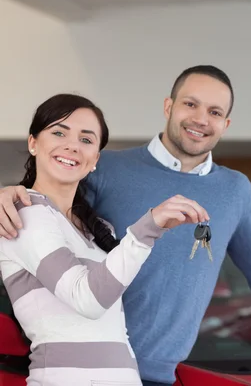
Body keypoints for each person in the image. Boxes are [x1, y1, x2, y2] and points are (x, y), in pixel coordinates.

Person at [0, 66, 251, 386]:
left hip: (161, 377)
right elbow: (42, 212)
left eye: (214, 112)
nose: (200, 119)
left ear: (226, 124)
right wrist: (10, 194)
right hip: (79, 370)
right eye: (190, 104)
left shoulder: (235, 191)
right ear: (169, 106)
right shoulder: (106, 168)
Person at [0, 94, 209, 386]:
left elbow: (113, 330)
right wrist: (149, 227)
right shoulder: (24, 215)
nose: (72, 145)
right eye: (59, 132)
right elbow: (87, 299)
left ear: (95, 159)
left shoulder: (99, 229)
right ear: (33, 143)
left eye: (86, 140)